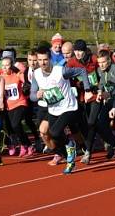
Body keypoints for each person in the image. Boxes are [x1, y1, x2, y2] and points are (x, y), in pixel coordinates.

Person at [29, 45, 91, 174]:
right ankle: (72, 159)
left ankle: (72, 147)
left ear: (50, 58)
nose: (42, 63)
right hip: (53, 109)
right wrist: (37, 95)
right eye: (39, 60)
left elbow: (82, 71)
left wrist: (87, 90)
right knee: (54, 135)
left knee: (56, 132)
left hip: (69, 107)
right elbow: (32, 96)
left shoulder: (61, 71)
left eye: (45, 59)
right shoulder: (36, 74)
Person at [0, 56, 33, 157]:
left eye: (7, 65)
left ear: (12, 65)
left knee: (15, 124)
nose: (5, 68)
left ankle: (24, 145)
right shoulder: (0, 75)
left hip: (20, 102)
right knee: (12, 127)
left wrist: (26, 84)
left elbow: (27, 82)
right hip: (8, 106)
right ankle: (28, 144)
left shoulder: (17, 74)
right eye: (3, 66)